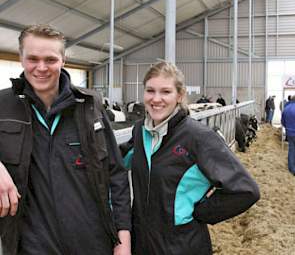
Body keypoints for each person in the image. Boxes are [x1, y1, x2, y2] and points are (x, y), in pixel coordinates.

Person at [0, 24, 131, 254]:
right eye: (32, 58)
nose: (41, 68)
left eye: (50, 59)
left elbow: (116, 175)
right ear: (21, 58)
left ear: (63, 59)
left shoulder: (89, 108)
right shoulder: (4, 105)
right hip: (32, 247)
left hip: (91, 243)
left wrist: (123, 239)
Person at [120, 61, 260, 255]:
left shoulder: (198, 137)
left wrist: (199, 213)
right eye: (150, 90)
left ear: (180, 95)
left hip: (181, 245)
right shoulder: (140, 131)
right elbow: (118, 159)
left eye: (166, 92)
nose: (156, 99)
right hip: (142, 243)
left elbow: (246, 191)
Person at [281, 95, 295, 176]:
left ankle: (292, 169)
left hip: (289, 133)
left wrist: (288, 128)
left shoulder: (286, 109)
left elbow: (283, 122)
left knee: (291, 150)